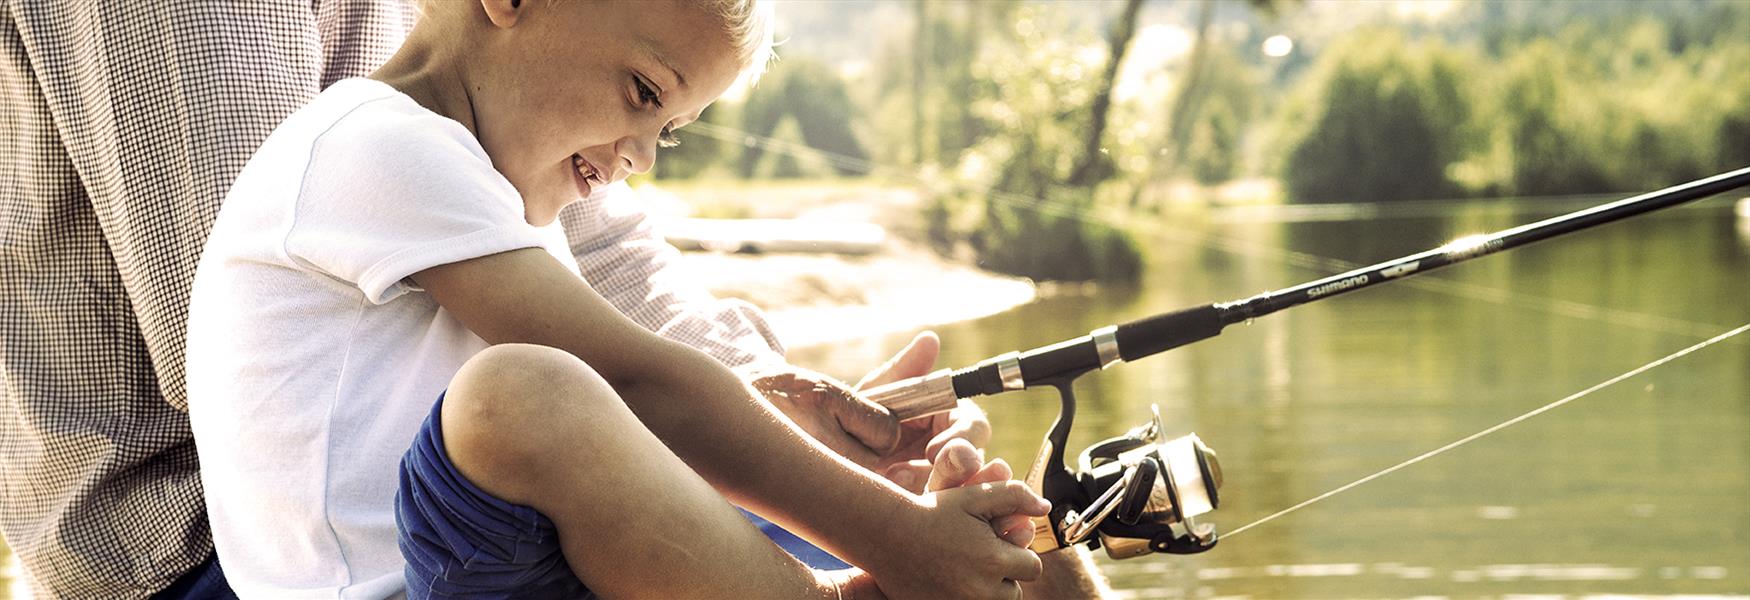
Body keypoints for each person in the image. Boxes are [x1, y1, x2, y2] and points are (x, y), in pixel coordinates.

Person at [0, 0, 999, 596]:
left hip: (469, 548)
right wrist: (890, 537)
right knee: (522, 400)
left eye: (673, 128)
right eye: (645, 97)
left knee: (922, 518)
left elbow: (632, 320)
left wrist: (777, 413)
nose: (642, 158)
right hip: (221, 562)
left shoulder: (494, 152)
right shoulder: (379, 147)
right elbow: (639, 384)